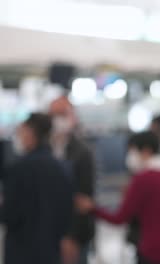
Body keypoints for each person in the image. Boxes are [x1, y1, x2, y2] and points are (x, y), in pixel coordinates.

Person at [76, 131, 160, 264]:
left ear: (146, 151)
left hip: (153, 251)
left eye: (132, 151)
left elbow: (119, 218)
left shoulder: (143, 179)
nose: (130, 156)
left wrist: (92, 208)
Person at [2, 113, 73, 264]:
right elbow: (67, 212)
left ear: (30, 133)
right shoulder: (62, 167)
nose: (19, 137)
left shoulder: (19, 168)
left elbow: (9, 214)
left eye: (21, 132)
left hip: (22, 251)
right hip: (51, 250)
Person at [49, 96, 95, 264]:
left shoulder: (82, 153)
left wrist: (71, 236)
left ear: (72, 116)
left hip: (73, 236)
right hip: (45, 235)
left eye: (62, 114)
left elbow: (83, 200)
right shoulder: (42, 150)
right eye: (53, 115)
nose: (57, 120)